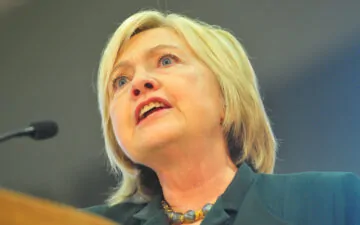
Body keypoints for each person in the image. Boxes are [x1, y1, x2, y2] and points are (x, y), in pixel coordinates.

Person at [85, 9, 360, 225]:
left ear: (226, 97)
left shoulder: (332, 202)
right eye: (120, 81)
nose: (139, 83)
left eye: (166, 60)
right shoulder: (80, 223)